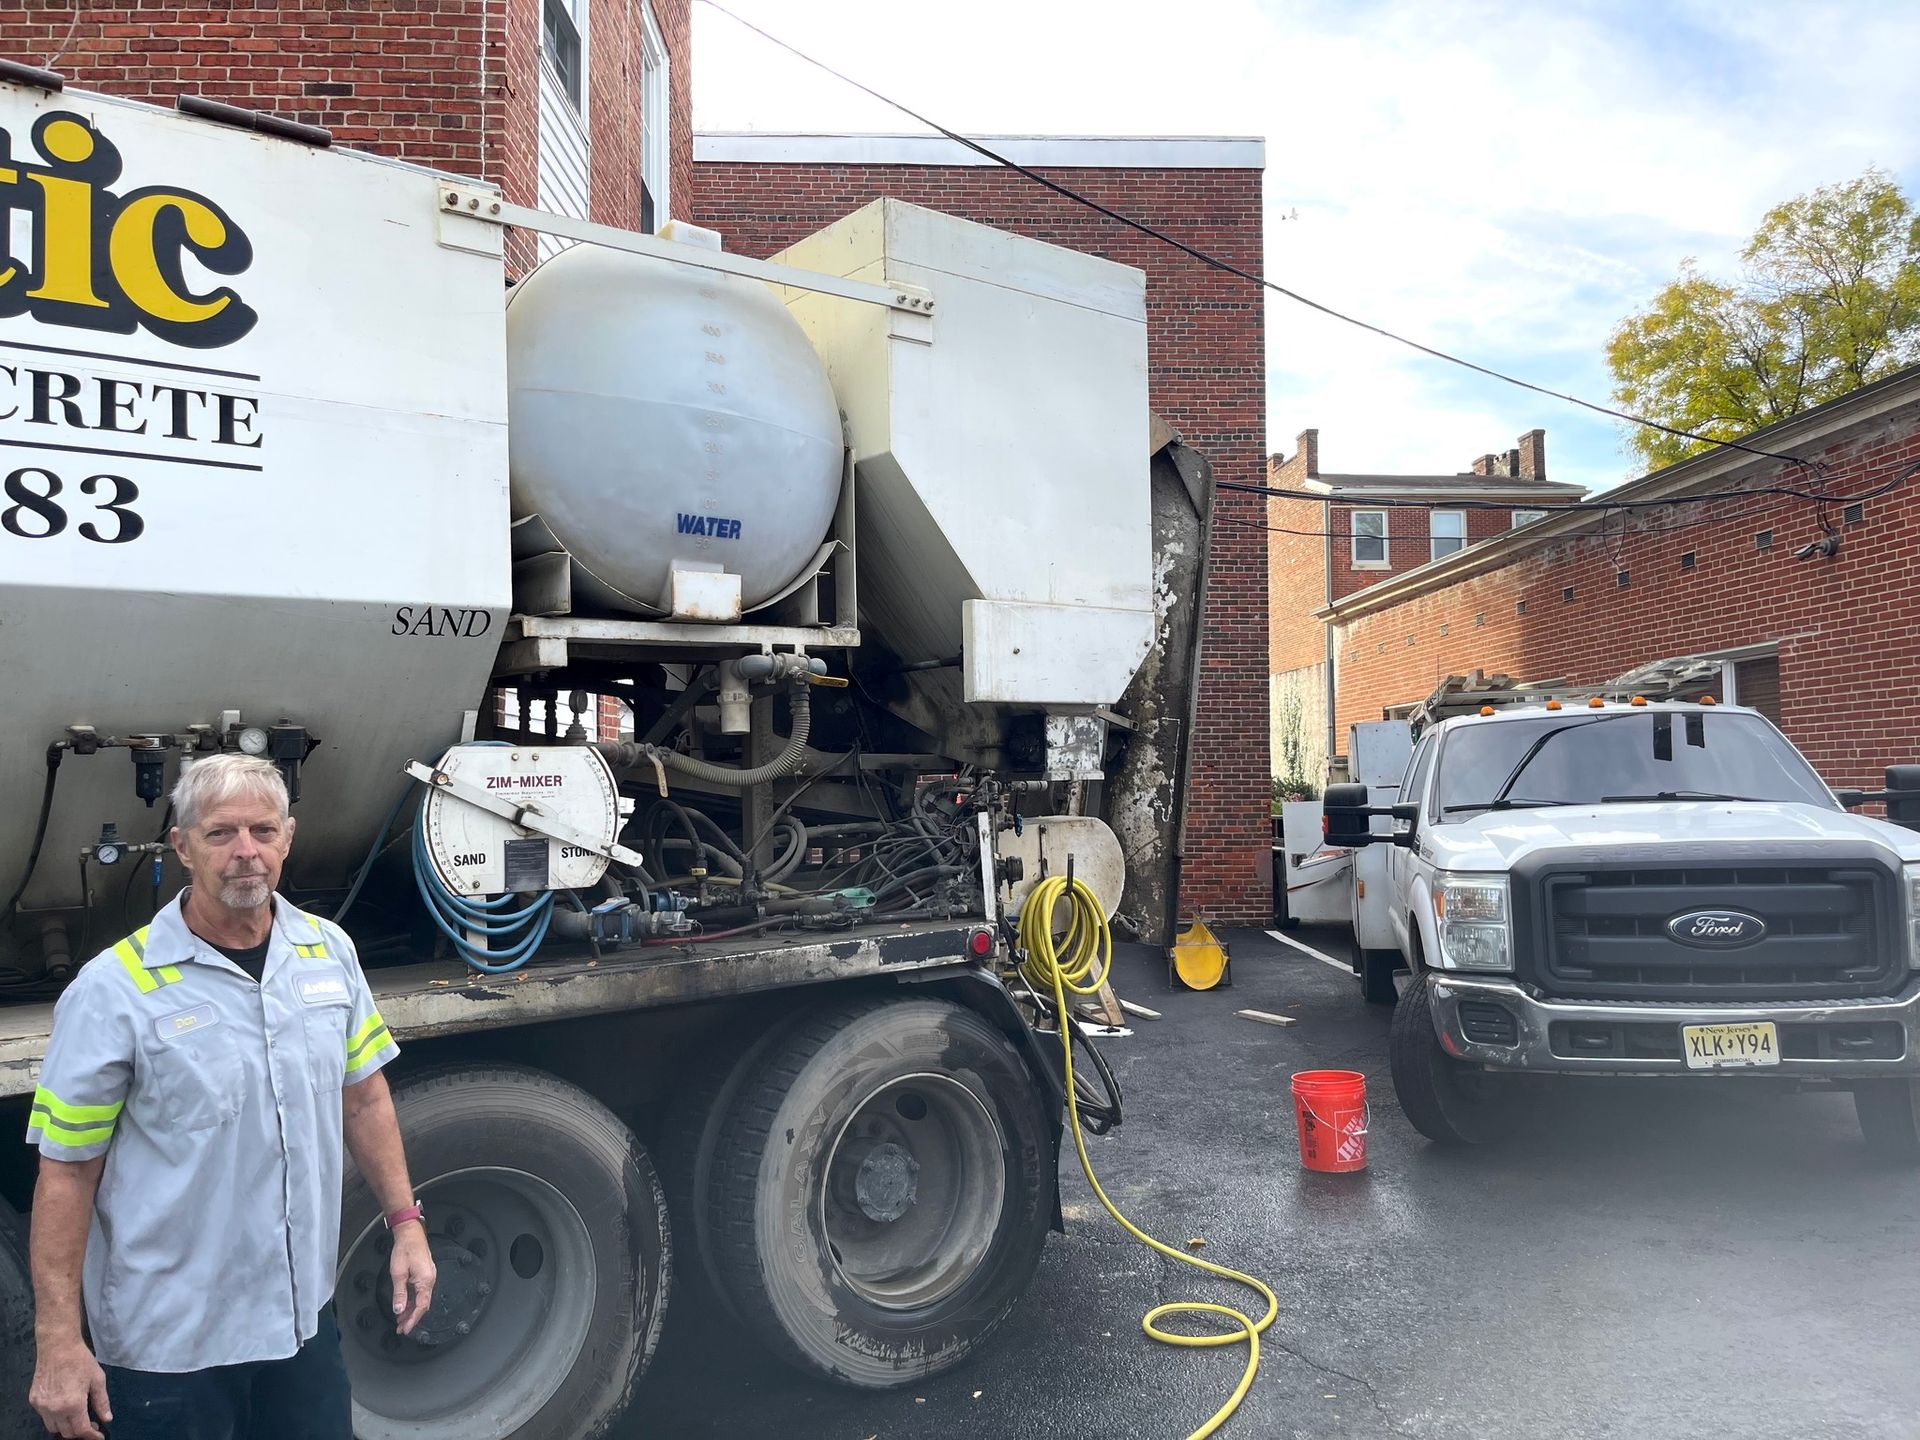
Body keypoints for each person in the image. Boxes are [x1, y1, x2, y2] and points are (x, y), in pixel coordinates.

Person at [23, 754, 435, 1439]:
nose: (246, 852)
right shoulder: (111, 993)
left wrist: (407, 1225)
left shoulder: (327, 952)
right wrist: (60, 1344)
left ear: (288, 839)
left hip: (302, 1331)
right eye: (220, 834)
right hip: (172, 1355)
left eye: (262, 831)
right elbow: (67, 1172)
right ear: (182, 847)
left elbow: (363, 1100)